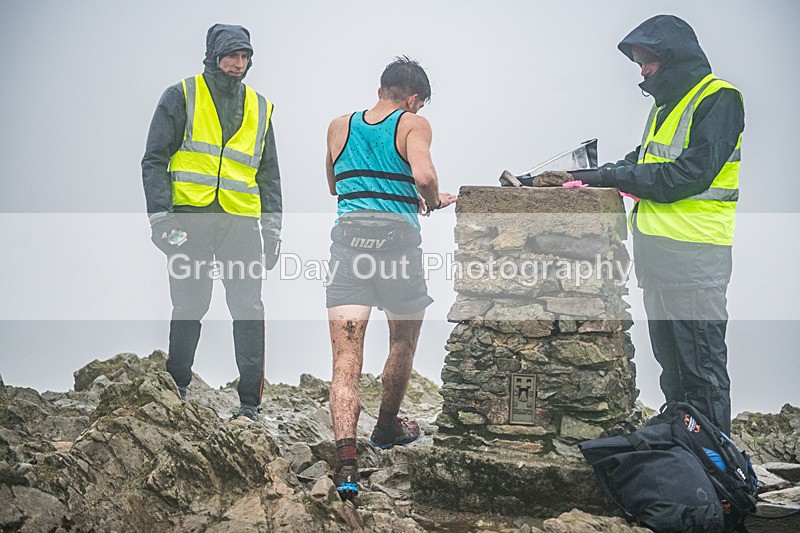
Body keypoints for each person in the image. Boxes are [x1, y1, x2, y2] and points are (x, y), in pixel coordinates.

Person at [574, 15, 744, 435]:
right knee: (674, 372)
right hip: (660, 258)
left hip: (697, 259)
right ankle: (684, 458)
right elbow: (643, 163)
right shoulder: (665, 106)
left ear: (671, 58)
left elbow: (686, 176)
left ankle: (717, 476)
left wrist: (610, 177)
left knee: (701, 370)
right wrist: (595, 176)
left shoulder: (720, 99)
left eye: (646, 62)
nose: (643, 72)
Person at [324, 56, 456, 500]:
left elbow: (334, 185)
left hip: (349, 248)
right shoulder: (413, 124)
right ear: (414, 99)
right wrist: (432, 200)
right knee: (402, 341)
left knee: (345, 361)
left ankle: (346, 464)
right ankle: (384, 429)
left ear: (381, 88)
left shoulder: (339, 126)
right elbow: (424, 174)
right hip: (398, 248)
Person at [141, 24, 283, 421]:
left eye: (245, 57)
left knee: (248, 308)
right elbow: (154, 159)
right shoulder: (181, 95)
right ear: (213, 56)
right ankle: (177, 388)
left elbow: (269, 176)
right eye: (231, 56)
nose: (238, 65)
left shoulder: (260, 107)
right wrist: (159, 220)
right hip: (191, 219)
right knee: (190, 303)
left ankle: (250, 406)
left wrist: (272, 230)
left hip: (241, 224)